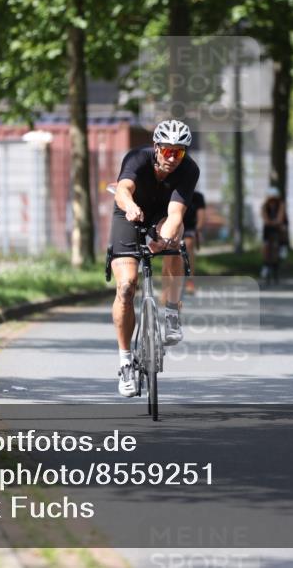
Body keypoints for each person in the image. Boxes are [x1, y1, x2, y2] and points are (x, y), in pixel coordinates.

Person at [108, 119, 199, 397]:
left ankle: (171, 311)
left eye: (179, 152)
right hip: (129, 213)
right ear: (157, 147)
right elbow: (122, 190)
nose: (172, 158)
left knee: (175, 239)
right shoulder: (137, 158)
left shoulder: (189, 170)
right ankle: (125, 362)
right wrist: (131, 206)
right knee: (126, 287)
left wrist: (163, 240)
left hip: (162, 217)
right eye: (168, 151)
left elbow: (175, 215)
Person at [182, 190, 206, 294]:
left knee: (188, 245)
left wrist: (197, 231)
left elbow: (201, 216)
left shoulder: (197, 197)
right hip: (174, 226)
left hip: (190, 228)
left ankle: (190, 280)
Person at [261, 186, 286, 281]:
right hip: (268, 227)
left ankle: (283, 246)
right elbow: (265, 217)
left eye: (274, 199)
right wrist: (270, 222)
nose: (272, 201)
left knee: (283, 229)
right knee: (265, 246)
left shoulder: (281, 205)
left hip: (278, 226)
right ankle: (265, 265)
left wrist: (277, 222)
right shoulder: (264, 206)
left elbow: (280, 217)